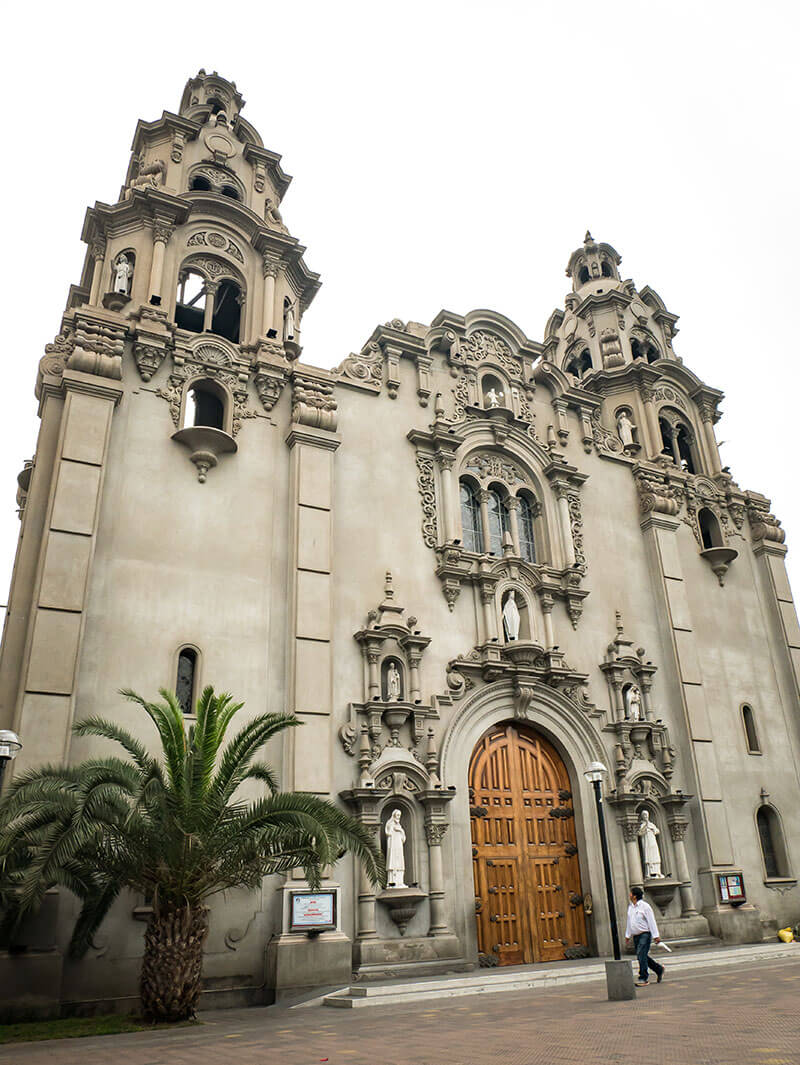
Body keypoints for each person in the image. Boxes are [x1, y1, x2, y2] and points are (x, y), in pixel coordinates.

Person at [625, 885, 665, 987]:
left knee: (640, 954)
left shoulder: (645, 907)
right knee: (642, 955)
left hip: (645, 934)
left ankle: (643, 977)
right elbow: (630, 922)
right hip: (636, 935)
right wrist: (627, 935)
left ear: (634, 896)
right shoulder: (630, 908)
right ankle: (658, 969)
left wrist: (656, 935)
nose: (629, 895)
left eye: (631, 893)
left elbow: (651, 921)